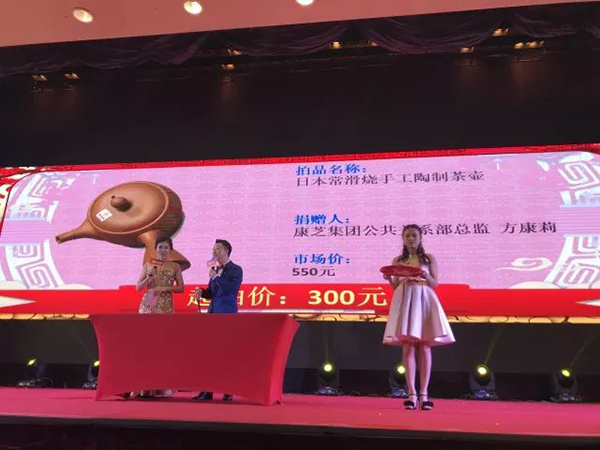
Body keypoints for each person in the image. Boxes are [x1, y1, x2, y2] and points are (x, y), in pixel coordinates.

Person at [382, 224, 455, 411]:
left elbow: (434, 284)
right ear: (403, 238)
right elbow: (396, 286)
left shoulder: (428, 258)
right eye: (407, 235)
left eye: (414, 235)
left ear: (420, 237)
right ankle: (411, 394)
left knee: (424, 345)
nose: (411, 239)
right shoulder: (398, 260)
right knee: (408, 345)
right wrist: (389, 278)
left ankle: (424, 394)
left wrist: (423, 274)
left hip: (423, 298)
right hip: (405, 298)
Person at [132, 236, 184, 398]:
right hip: (148, 304)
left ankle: (162, 386)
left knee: (163, 345)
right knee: (146, 346)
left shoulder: (175, 266)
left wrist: (164, 288)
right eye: (160, 247)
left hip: (165, 305)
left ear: (170, 250)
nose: (163, 250)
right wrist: (148, 278)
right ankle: (142, 386)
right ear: (155, 249)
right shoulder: (148, 265)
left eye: (166, 247)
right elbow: (138, 287)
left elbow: (181, 288)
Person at [193, 239, 243, 402]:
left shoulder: (236, 269)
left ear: (227, 251)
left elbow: (231, 289)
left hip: (227, 315)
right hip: (213, 314)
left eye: (218, 248)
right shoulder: (215, 269)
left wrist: (216, 277)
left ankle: (228, 390)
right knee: (209, 354)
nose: (214, 251)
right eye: (214, 248)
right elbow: (212, 293)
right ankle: (207, 390)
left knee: (225, 354)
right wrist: (202, 292)